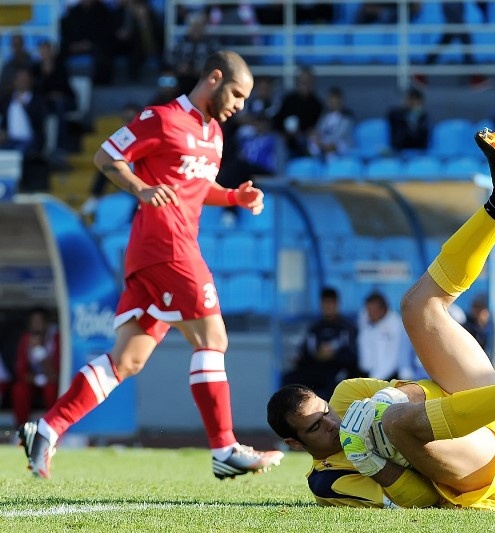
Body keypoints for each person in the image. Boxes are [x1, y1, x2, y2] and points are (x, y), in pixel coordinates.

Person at [267, 128, 495, 509]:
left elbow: (424, 389)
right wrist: (372, 463)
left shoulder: (345, 397)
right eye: (316, 427)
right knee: (394, 424)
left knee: (416, 306)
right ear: (295, 444)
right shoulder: (327, 480)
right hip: (488, 479)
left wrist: (390, 394)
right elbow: (424, 502)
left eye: (325, 412)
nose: (332, 422)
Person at [18, 50, 284, 480]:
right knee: (212, 336)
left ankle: (46, 429)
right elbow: (107, 157)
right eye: (236, 93)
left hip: (157, 253)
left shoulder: (214, 132)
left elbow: (197, 186)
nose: (240, 105)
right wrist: (141, 188)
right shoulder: (161, 118)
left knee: (128, 359)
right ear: (214, 78)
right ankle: (224, 448)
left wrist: (235, 196)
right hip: (167, 245)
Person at [282, 287, 360, 402]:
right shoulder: (315, 328)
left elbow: (353, 356)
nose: (327, 307)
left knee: (336, 382)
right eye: (325, 303)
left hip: (338, 368)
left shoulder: (347, 328)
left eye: (331, 303)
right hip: (317, 367)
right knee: (289, 379)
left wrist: (333, 355)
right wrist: (317, 355)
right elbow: (304, 353)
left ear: (337, 304)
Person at [11, 308, 60, 428]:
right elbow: (21, 370)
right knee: (19, 389)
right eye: (34, 322)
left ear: (47, 323)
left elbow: (55, 374)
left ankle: (52, 426)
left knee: (51, 389)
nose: (37, 326)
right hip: (32, 379)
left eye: (40, 322)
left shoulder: (55, 338)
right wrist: (35, 379)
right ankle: (21, 427)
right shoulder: (26, 339)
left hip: (51, 379)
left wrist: (40, 351)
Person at [272, 67, 324, 159]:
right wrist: (285, 133)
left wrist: (307, 132)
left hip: (305, 139)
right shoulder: (288, 100)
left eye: (308, 81)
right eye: (303, 81)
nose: (305, 84)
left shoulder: (317, 104)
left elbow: (319, 126)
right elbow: (277, 121)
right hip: (287, 138)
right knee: (277, 143)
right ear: (298, 81)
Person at [357, 292, 409, 381]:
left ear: (383, 310)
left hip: (387, 376)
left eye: (372, 311)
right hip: (366, 374)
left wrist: (374, 379)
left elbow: (392, 359)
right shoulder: (365, 317)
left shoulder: (396, 325)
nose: (369, 314)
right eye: (368, 310)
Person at [308, 86, 355, 161]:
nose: (333, 103)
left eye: (336, 101)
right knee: (313, 143)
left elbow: (340, 134)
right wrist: (316, 137)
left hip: (339, 146)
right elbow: (318, 130)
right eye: (331, 100)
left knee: (336, 147)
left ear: (341, 101)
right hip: (323, 144)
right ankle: (313, 164)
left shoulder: (347, 117)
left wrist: (326, 143)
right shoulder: (324, 117)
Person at [387, 88, 430, 153]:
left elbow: (422, 139)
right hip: (399, 147)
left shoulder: (423, 116)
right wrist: (408, 115)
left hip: (418, 148)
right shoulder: (396, 114)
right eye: (410, 99)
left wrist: (414, 117)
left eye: (415, 100)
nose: (412, 103)